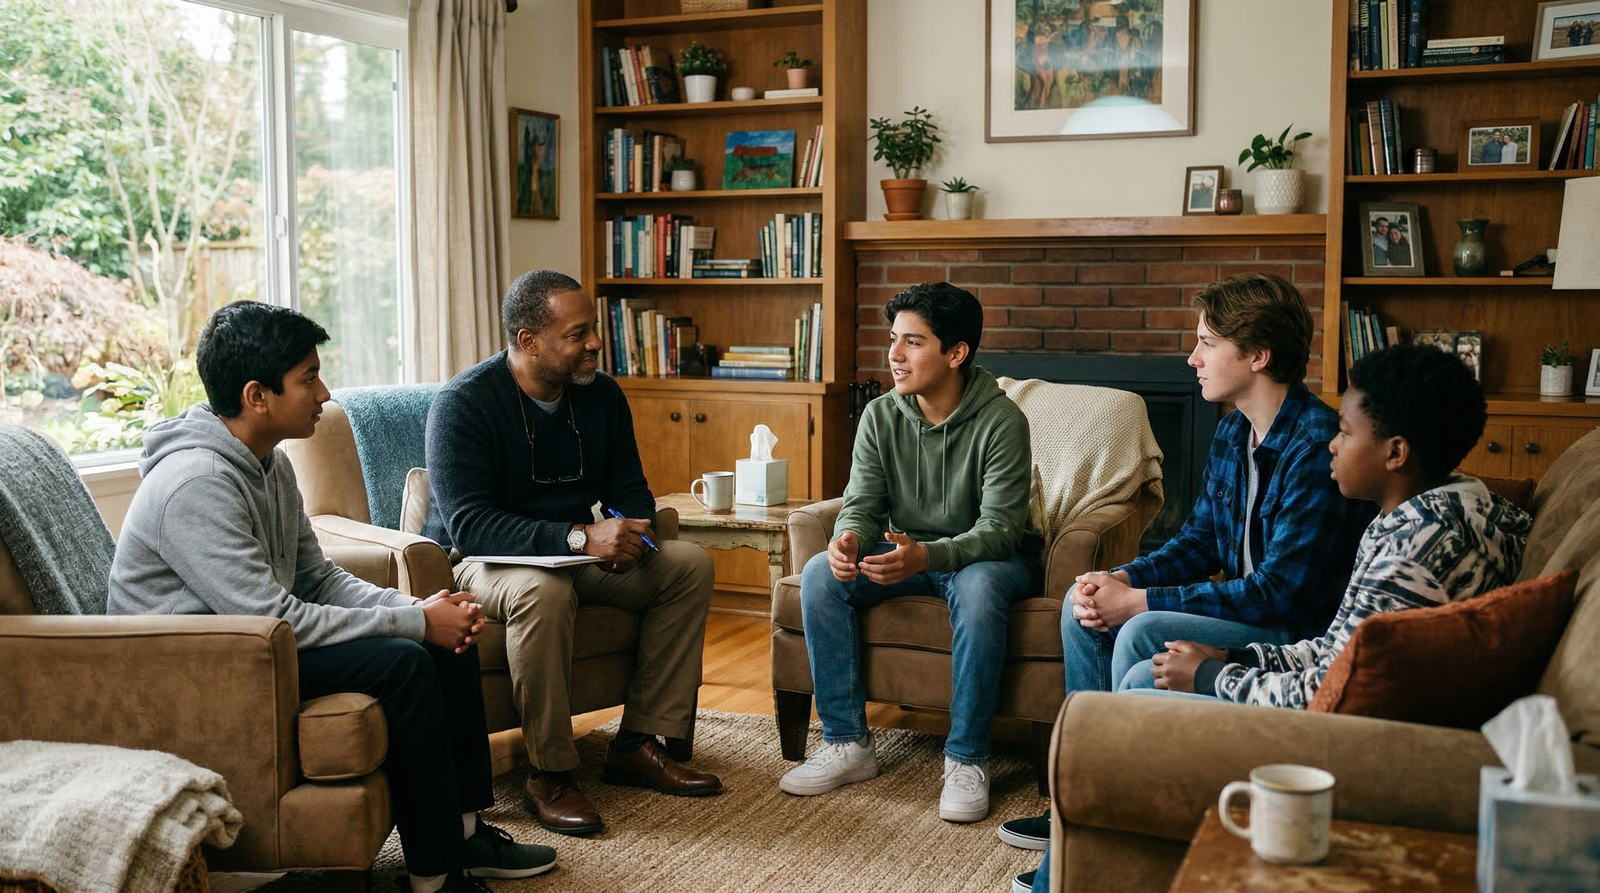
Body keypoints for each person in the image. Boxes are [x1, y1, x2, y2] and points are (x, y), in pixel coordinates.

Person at [108, 302, 555, 893]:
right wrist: (413, 628)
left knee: (446, 640)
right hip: (202, 666)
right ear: (256, 395)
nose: (324, 392)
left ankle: (462, 832)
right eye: (308, 378)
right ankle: (433, 879)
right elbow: (272, 615)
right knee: (404, 661)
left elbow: (315, 578)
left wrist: (418, 611)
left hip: (255, 641)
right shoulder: (197, 483)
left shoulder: (268, 464)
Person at [999, 273, 1372, 885]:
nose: (1191, 358)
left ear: (1258, 355)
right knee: (1081, 601)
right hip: (1252, 607)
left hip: (1290, 627)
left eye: (1207, 343)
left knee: (1139, 623)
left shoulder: (1315, 445)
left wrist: (1138, 598)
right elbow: (1199, 542)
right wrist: (1116, 575)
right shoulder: (1233, 429)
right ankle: (1082, 795)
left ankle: (1100, 809)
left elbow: (1281, 591)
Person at [423, 270, 720, 838]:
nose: (594, 343)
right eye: (577, 333)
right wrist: (581, 538)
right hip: (482, 562)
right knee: (543, 590)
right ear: (528, 339)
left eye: (593, 329)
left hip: (578, 553)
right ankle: (550, 772)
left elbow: (632, 489)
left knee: (688, 565)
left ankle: (636, 743)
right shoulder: (464, 403)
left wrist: (635, 538)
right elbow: (471, 525)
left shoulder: (600, 393)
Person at [776, 282, 1038, 824]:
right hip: (905, 554)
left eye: (913, 342)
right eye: (894, 339)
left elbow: (1001, 530)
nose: (894, 355)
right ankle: (849, 744)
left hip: (983, 559)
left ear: (956, 352)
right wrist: (847, 537)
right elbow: (862, 504)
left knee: (980, 585)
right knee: (823, 573)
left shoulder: (1003, 422)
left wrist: (929, 556)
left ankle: (966, 758)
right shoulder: (880, 415)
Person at [1140, 343, 1531, 705]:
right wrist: (1230, 655)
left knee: (1141, 691)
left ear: (1395, 452)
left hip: (1339, 736)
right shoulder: (1416, 517)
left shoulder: (1417, 552)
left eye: (1344, 431)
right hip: (1317, 693)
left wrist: (1213, 676)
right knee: (1148, 675)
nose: (1332, 443)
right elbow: (1335, 649)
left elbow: (1335, 691)